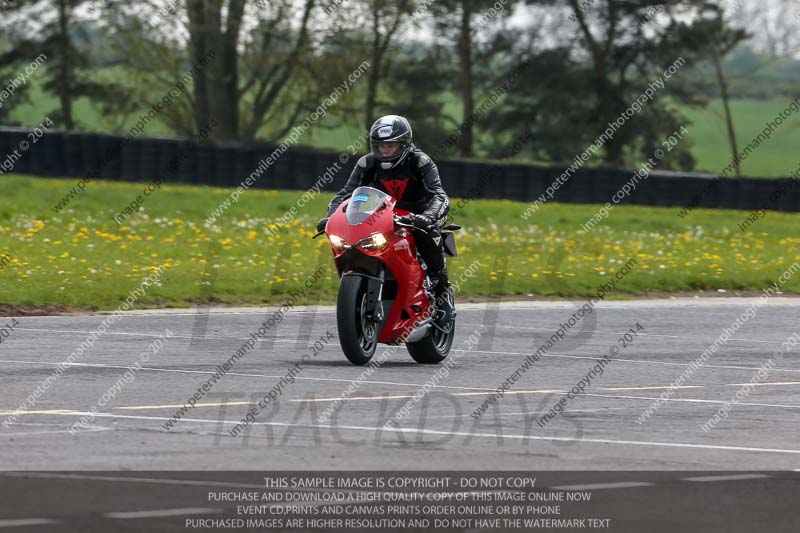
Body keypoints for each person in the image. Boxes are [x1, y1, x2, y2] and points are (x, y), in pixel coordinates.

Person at [317, 115, 452, 316]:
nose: (385, 149)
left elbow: (439, 195)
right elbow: (346, 194)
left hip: (420, 213)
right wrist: (331, 218)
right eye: (380, 145)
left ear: (404, 144)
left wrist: (428, 217)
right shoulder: (367, 164)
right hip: (383, 215)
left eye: (391, 145)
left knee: (426, 233)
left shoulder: (420, 162)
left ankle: (442, 292)